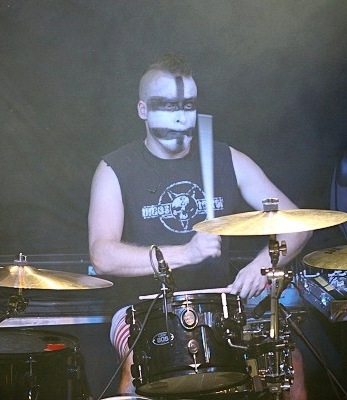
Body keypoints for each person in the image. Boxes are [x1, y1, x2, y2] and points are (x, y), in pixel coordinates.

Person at [88, 53, 311, 399]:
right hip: (143, 310)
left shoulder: (227, 159)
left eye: (188, 105)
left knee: (288, 358)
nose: (180, 116)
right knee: (137, 369)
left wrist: (261, 267)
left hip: (222, 305)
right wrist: (186, 253)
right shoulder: (115, 168)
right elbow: (102, 255)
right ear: (143, 110)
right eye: (167, 105)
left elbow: (299, 223)